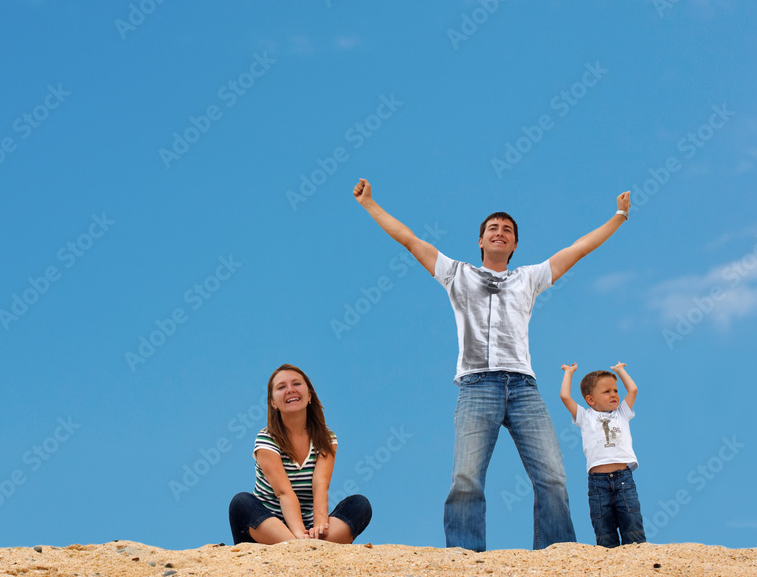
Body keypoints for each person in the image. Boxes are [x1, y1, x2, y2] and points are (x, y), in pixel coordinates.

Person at [352, 177, 631, 551]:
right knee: (466, 478)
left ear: (514, 245)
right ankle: (464, 555)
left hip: (523, 388)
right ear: (481, 241)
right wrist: (370, 204)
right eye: (492, 229)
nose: (500, 232)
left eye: (508, 230)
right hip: (476, 386)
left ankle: (559, 554)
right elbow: (410, 240)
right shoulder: (456, 273)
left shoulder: (528, 278)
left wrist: (618, 216)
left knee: (553, 476)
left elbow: (578, 249)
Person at [228, 364, 372, 544]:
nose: (290, 390)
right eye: (281, 387)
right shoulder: (266, 439)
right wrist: (296, 536)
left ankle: (314, 546)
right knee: (240, 503)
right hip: (269, 527)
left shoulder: (327, 439)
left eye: (296, 384)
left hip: (308, 531)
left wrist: (320, 524)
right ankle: (301, 548)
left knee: (360, 505)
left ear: (309, 395)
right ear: (273, 402)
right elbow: (283, 493)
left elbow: (321, 485)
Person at [560, 362, 646, 547]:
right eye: (607, 392)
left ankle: (639, 566)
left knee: (632, 526)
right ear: (591, 400)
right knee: (604, 531)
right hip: (598, 484)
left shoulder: (622, 413)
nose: (614, 394)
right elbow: (565, 396)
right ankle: (610, 570)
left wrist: (620, 371)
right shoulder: (585, 416)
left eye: (615, 390)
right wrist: (569, 373)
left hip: (624, 480)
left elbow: (633, 389)